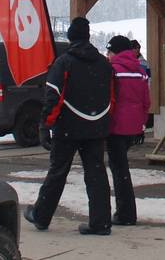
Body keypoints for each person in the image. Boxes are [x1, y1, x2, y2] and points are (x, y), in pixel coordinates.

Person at [24, 17, 113, 236]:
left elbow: (53, 97)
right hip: (96, 126)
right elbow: (111, 96)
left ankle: (41, 215)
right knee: (97, 174)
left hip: (68, 127)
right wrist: (104, 121)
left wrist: (45, 126)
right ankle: (101, 222)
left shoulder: (64, 62)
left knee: (58, 172)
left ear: (70, 37)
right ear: (88, 36)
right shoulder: (104, 64)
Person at [105, 35, 150, 226]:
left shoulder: (112, 71)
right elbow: (146, 101)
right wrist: (141, 123)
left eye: (109, 51)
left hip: (116, 126)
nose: (107, 55)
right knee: (122, 168)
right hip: (133, 127)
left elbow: (108, 100)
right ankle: (126, 212)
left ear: (116, 52)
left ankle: (125, 214)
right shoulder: (140, 71)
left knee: (119, 170)